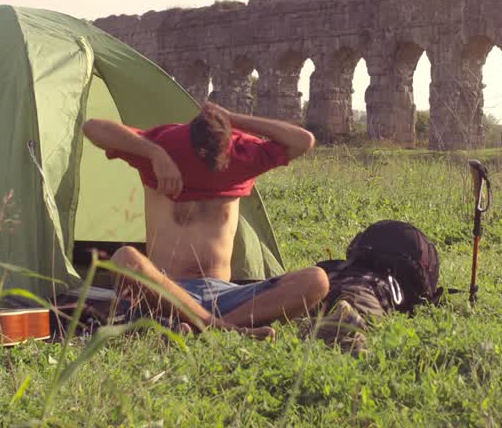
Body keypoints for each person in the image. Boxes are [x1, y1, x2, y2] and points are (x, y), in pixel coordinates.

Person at [81, 102, 329, 339]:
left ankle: (208, 326)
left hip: (225, 295)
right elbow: (92, 127)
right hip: (166, 293)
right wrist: (155, 154)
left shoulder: (242, 155)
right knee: (125, 259)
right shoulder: (163, 149)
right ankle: (224, 328)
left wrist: (230, 118)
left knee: (316, 280)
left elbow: (303, 141)